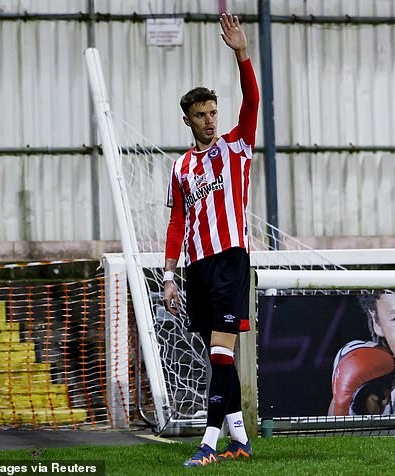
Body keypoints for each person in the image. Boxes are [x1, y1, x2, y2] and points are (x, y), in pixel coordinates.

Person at [161, 12, 259, 467]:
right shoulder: (181, 168)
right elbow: (177, 223)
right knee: (219, 359)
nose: (210, 121)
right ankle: (239, 439)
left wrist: (241, 52)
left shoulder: (236, 146)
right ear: (188, 119)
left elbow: (253, 100)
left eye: (213, 112)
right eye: (201, 115)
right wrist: (169, 276)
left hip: (230, 261)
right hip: (197, 268)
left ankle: (209, 443)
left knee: (221, 354)